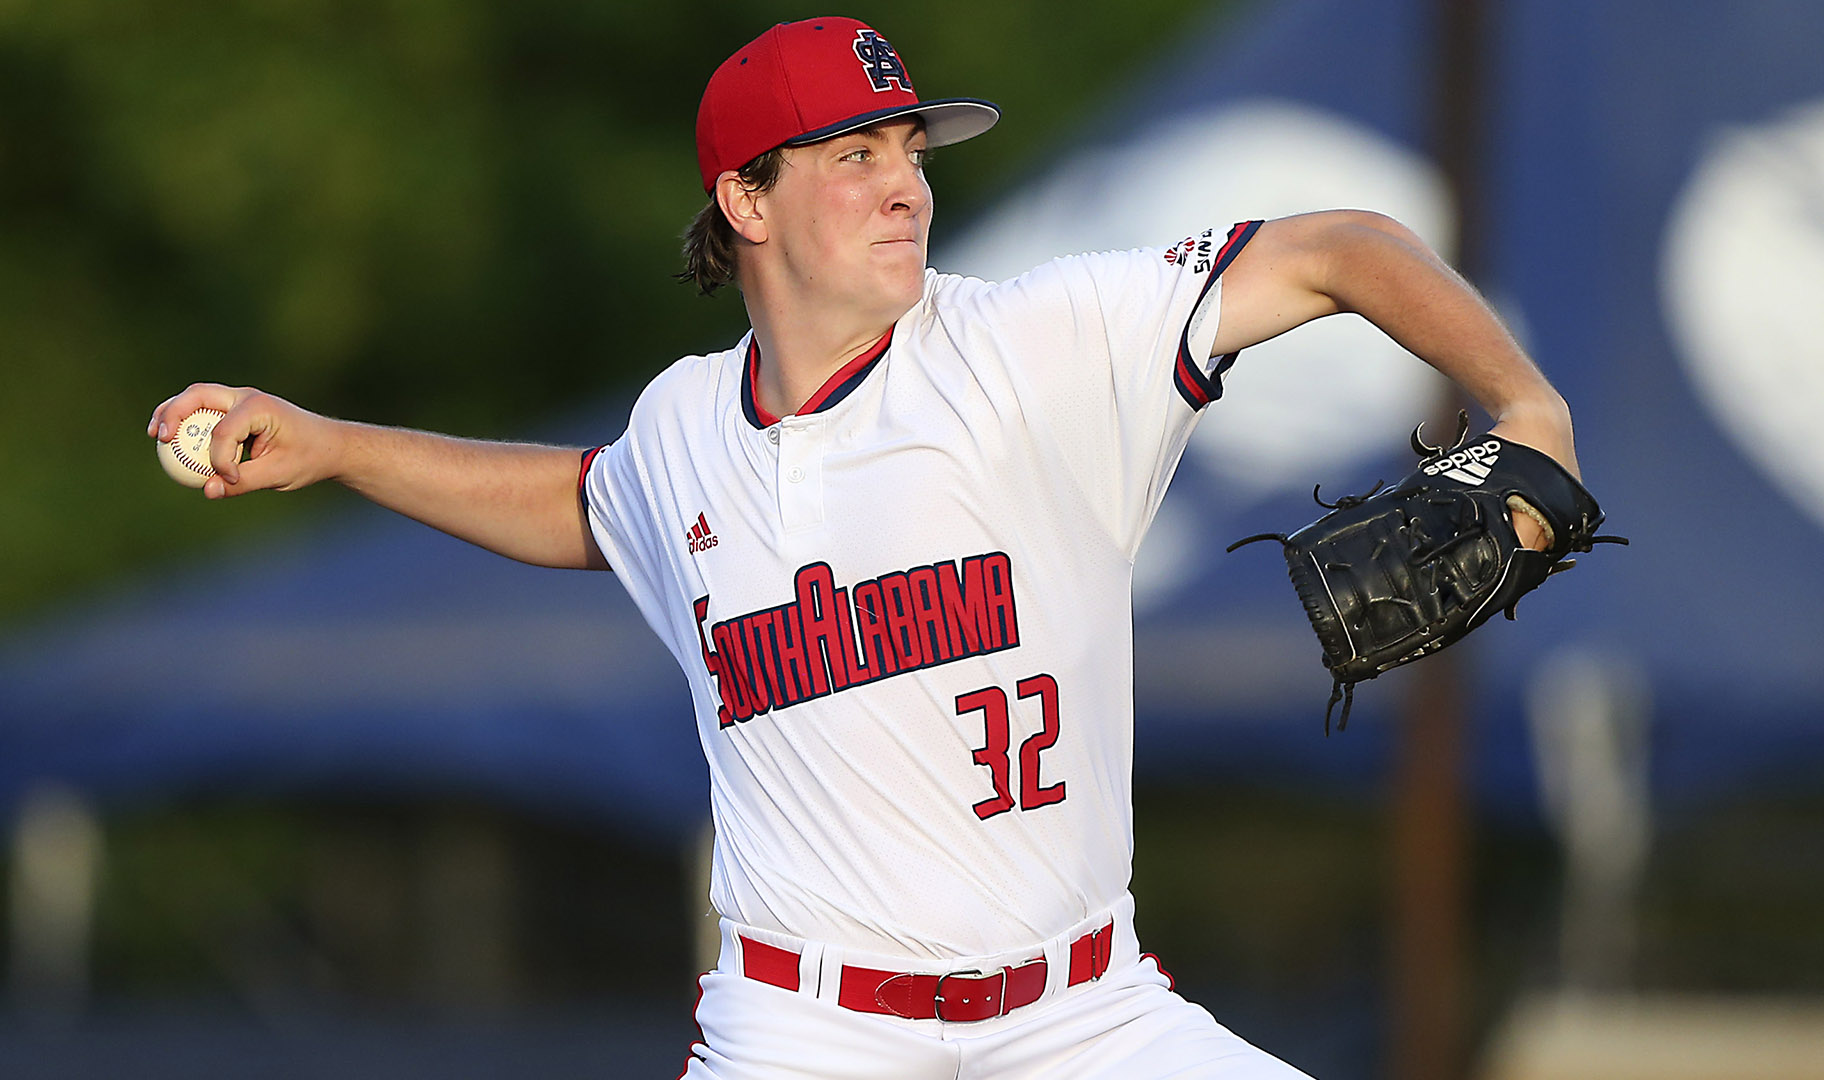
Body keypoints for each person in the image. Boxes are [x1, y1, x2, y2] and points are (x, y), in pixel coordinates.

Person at [150, 17, 1575, 1078]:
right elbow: (583, 504)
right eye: (855, 156)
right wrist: (335, 445)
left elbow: (1341, 246)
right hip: (806, 1029)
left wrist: (1529, 409)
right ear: (746, 201)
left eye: (911, 152)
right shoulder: (683, 428)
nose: (907, 184)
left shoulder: (1037, 345)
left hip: (1083, 1018)